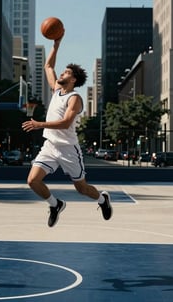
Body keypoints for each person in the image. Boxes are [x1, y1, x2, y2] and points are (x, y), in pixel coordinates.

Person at [22, 35, 112, 227]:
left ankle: (102, 199)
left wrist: (39, 124)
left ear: (74, 80)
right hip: (50, 146)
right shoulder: (56, 90)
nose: (62, 73)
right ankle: (55, 204)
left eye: (67, 73)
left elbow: (65, 123)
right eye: (62, 72)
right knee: (32, 181)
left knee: (82, 189)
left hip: (68, 149)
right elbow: (48, 67)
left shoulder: (74, 98)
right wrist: (56, 45)